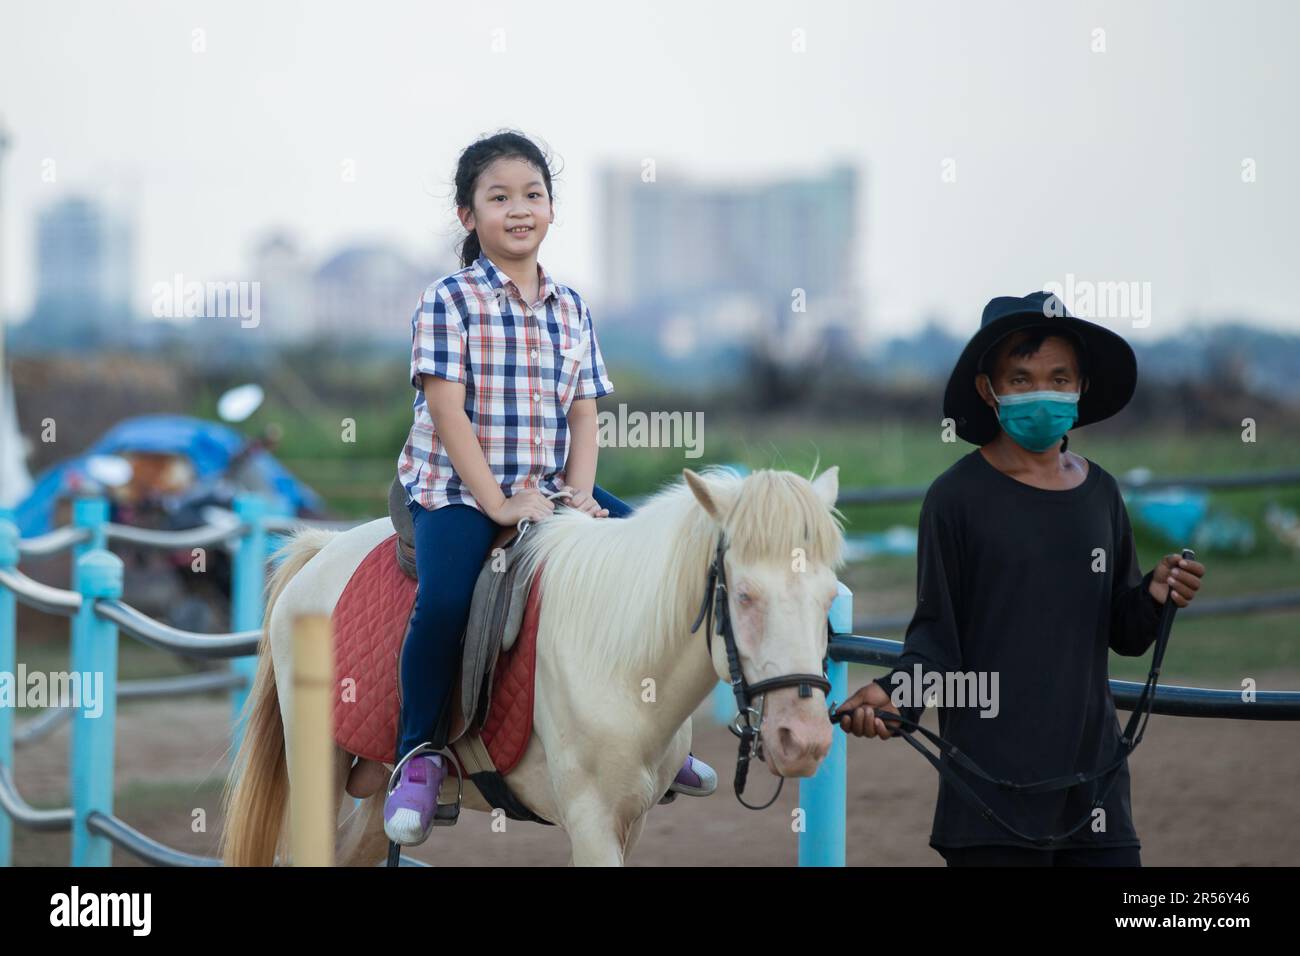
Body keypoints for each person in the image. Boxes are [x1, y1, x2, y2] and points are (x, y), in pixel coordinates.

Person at [386, 131, 715, 846]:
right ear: (468, 217)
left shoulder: (571, 308)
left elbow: (584, 412)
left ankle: (662, 738)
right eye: (498, 197)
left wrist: (581, 495)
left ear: (553, 209)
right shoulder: (450, 300)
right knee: (444, 599)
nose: (518, 209)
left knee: (665, 556)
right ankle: (419, 752)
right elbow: (447, 413)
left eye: (532, 195)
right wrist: (499, 504)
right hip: (458, 490)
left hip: (549, 486)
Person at [835, 291, 1206, 867]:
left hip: (1095, 791)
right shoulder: (954, 499)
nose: (1043, 392)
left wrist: (1154, 595)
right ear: (989, 389)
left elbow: (1124, 633)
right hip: (991, 797)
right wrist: (892, 697)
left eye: (1059, 378)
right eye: (1022, 377)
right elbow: (936, 640)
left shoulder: (1102, 492)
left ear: (1081, 388)